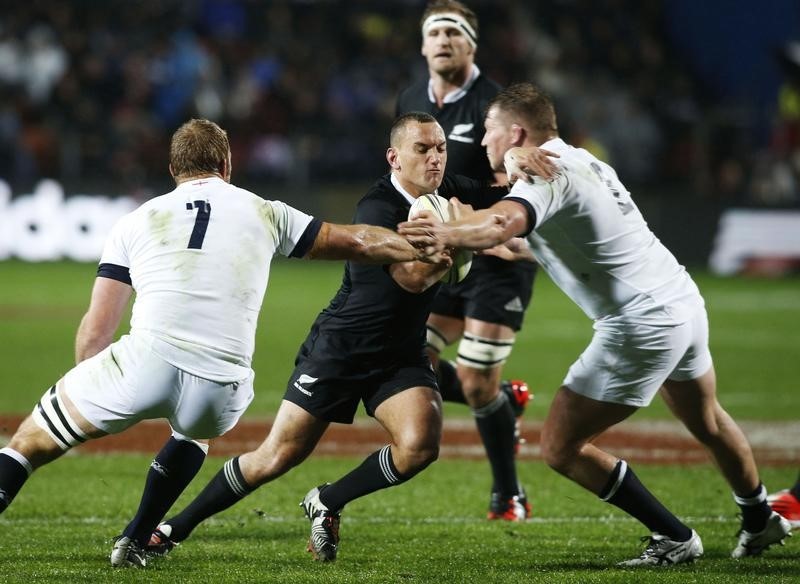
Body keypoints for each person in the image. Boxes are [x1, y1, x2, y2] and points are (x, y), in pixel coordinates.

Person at [0, 118, 446, 569]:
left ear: (173, 167)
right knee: (193, 433)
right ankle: (135, 540)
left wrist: (92, 394)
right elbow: (358, 241)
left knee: (29, 442)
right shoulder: (266, 210)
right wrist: (421, 245)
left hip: (147, 360)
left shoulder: (136, 220)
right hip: (223, 386)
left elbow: (98, 329)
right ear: (228, 164)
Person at [399, 83, 793, 566]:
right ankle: (759, 520)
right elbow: (548, 236)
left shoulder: (546, 175)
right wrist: (487, 228)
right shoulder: (585, 161)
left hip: (640, 323)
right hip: (682, 303)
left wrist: (445, 231)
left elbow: (503, 224)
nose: (482, 143)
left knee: (561, 447)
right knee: (707, 419)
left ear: (516, 131)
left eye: (489, 132)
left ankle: (673, 537)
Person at [144, 112, 550, 563]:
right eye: (422, 149)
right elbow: (411, 280)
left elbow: (512, 200)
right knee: (276, 456)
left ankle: (328, 500)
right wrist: (463, 244)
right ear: (394, 158)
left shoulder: (450, 190)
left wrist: (520, 160)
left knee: (420, 446)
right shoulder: (376, 207)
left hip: (400, 354)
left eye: (440, 148)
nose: (435, 158)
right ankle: (171, 528)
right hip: (340, 349)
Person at [396, 0, 537, 521]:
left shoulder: (493, 104)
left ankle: (509, 495)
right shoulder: (412, 99)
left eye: (453, 33)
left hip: (498, 255)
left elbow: (515, 176)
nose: (443, 41)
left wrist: (483, 223)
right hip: (445, 253)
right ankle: (505, 400)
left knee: (477, 382)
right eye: (434, 32)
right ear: (423, 44)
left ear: (471, 45)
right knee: (413, 355)